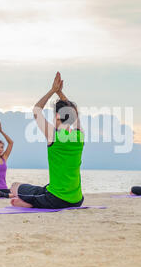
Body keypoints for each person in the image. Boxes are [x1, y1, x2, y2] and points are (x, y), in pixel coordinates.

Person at [9, 72, 85, 209]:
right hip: (77, 199)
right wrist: (60, 93)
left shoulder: (53, 136)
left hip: (57, 199)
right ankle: (29, 202)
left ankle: (30, 202)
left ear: (56, 116)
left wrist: (53, 91)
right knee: (43, 188)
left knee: (14, 187)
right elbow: (73, 113)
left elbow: (37, 109)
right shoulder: (80, 136)